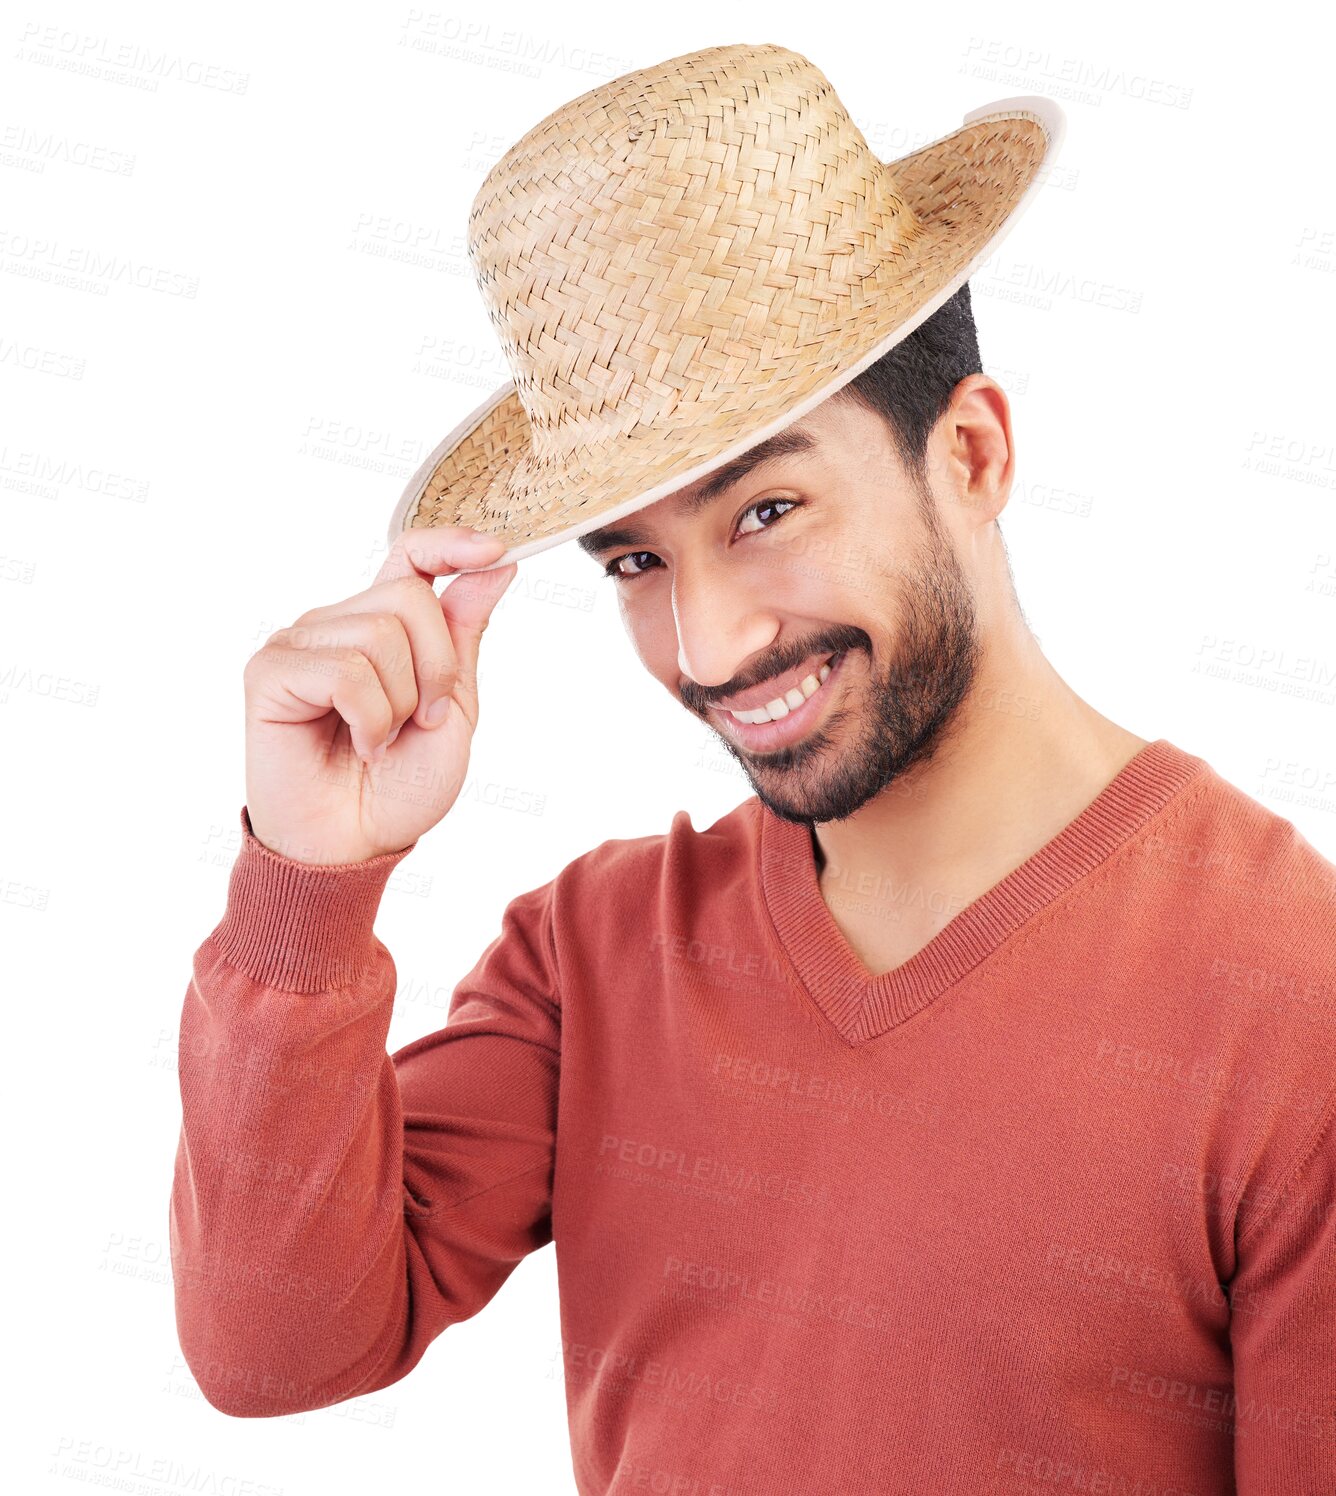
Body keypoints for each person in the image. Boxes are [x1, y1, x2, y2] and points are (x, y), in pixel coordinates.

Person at [169, 45, 1336, 1496]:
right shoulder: (591, 957)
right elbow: (273, 1349)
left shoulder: (1295, 995)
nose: (709, 643)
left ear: (969, 457)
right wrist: (311, 877)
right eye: (638, 560)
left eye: (768, 508)